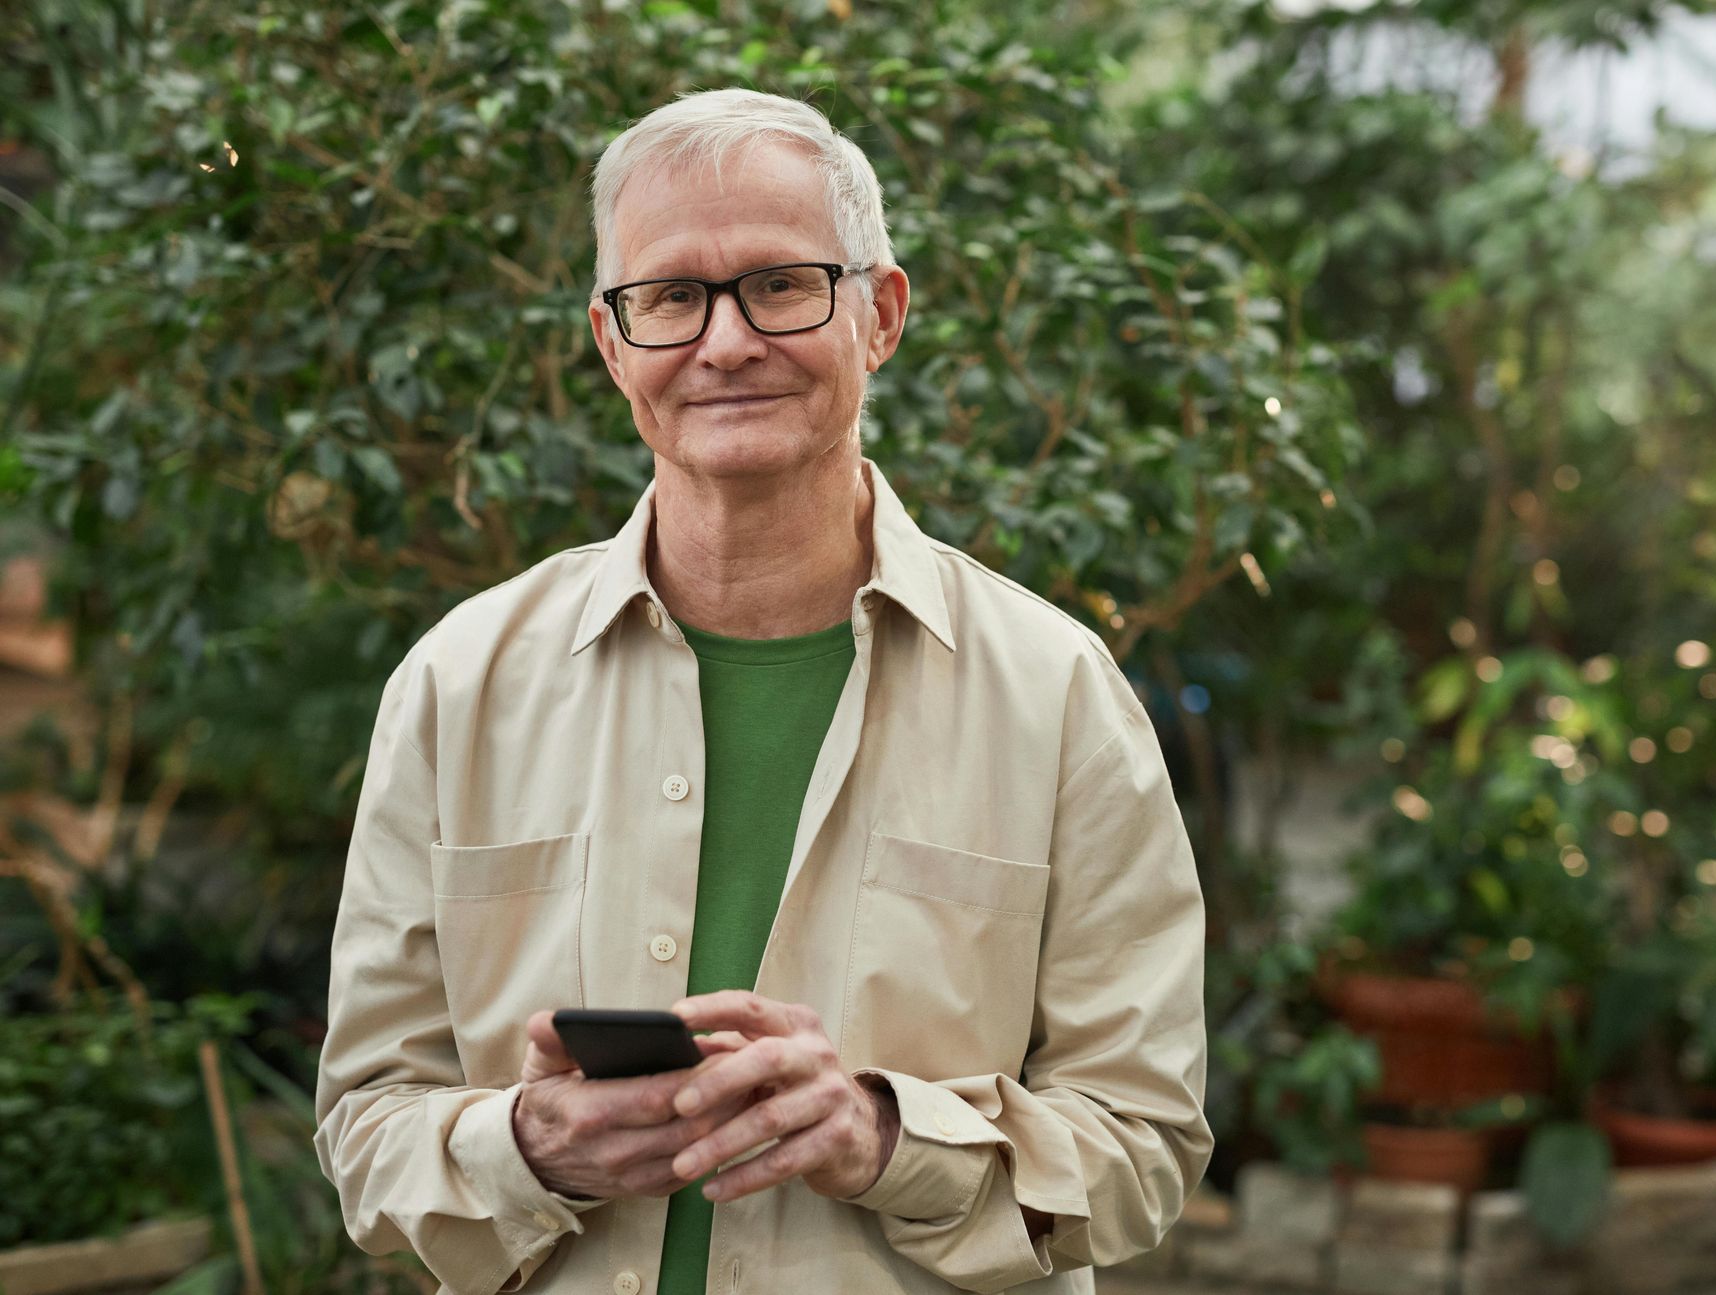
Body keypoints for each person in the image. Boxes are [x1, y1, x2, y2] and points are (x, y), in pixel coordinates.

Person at [314, 87, 1211, 1295]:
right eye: (671, 297)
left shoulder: (1058, 699)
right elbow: (367, 1122)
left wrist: (887, 1140)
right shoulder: (459, 683)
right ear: (610, 340)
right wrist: (525, 1147)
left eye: (781, 284)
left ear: (878, 314)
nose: (725, 342)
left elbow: (1144, 1140)